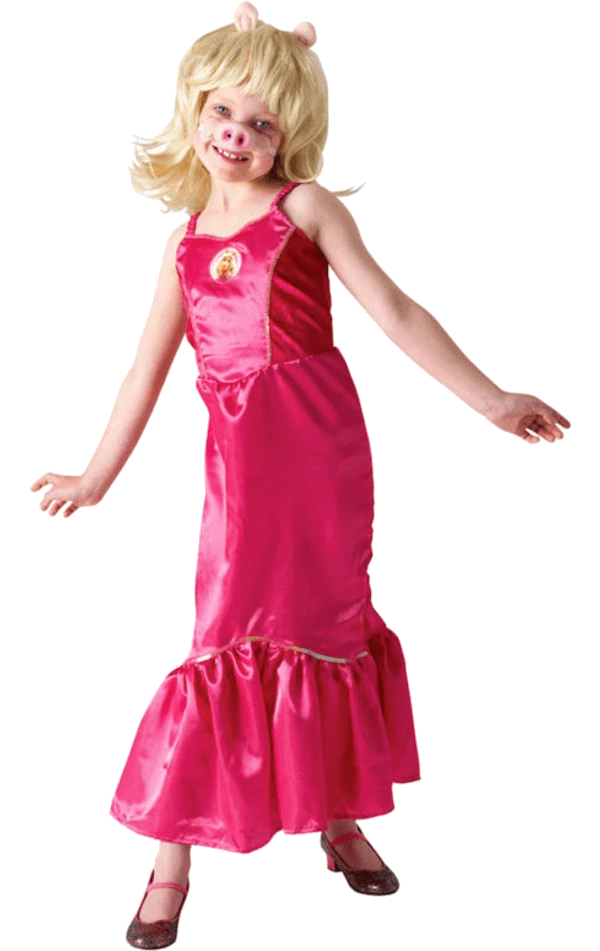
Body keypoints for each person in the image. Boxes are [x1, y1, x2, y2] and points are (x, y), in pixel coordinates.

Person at [31, 3, 571, 947]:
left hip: (320, 447)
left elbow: (395, 311)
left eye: (263, 121)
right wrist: (96, 473)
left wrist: (492, 400)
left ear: (291, 133)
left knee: (325, 629)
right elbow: (146, 371)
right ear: (196, 108)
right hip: (243, 459)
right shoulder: (187, 238)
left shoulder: (306, 209)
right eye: (224, 112)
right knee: (224, 635)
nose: (238, 134)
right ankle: (168, 862)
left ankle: (338, 816)